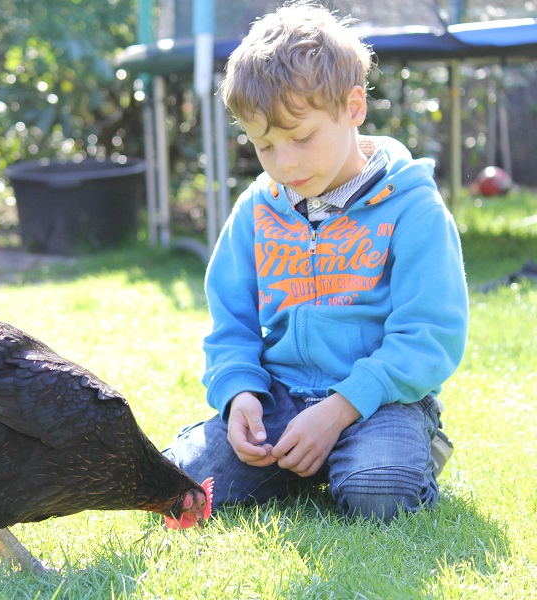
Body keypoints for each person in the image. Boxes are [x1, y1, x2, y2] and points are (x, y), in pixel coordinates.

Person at [163, 1, 469, 521]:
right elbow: (230, 321)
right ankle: (297, 463)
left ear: (353, 107)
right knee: (183, 484)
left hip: (379, 401)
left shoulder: (414, 207)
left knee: (379, 495)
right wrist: (240, 396)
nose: (285, 163)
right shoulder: (258, 208)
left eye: (301, 137)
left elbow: (430, 334)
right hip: (279, 399)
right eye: (264, 146)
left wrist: (340, 409)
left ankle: (400, 455)